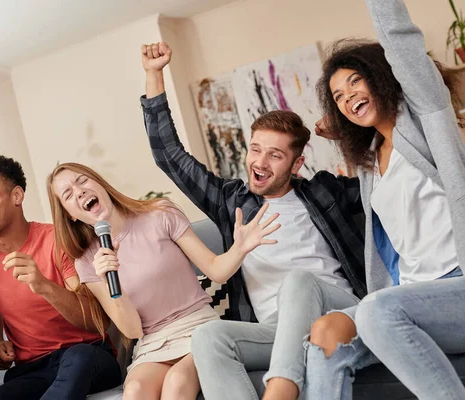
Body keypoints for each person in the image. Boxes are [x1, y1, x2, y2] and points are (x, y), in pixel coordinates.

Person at [139, 42, 367, 400]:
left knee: (298, 281)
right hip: (275, 330)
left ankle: (281, 390)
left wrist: (350, 134)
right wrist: (154, 75)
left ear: (295, 164)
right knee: (208, 337)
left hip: (337, 311)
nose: (260, 162)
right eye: (256, 149)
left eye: (275, 155)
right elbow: (170, 156)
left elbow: (382, 179)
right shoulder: (231, 201)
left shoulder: (323, 191)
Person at [304, 1, 465, 399]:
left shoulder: (427, 121)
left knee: (379, 309)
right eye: (339, 97)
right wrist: (342, 131)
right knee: (326, 331)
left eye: (355, 82)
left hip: (456, 287)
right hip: (410, 296)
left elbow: (401, 42)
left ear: (382, 75)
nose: (348, 97)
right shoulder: (370, 161)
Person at [46, 161, 280, 400]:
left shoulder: (159, 214)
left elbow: (215, 270)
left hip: (198, 330)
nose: (80, 191)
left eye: (82, 180)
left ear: (99, 183)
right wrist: (109, 280)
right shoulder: (87, 262)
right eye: (68, 194)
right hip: (152, 344)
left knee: (177, 383)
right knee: (135, 391)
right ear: (70, 215)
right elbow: (132, 329)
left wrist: (239, 249)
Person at [0, 155, 121, 400]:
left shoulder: (58, 240)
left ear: (16, 196)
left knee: (78, 356)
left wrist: (43, 285)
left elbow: (97, 320)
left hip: (89, 355)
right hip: (33, 369)